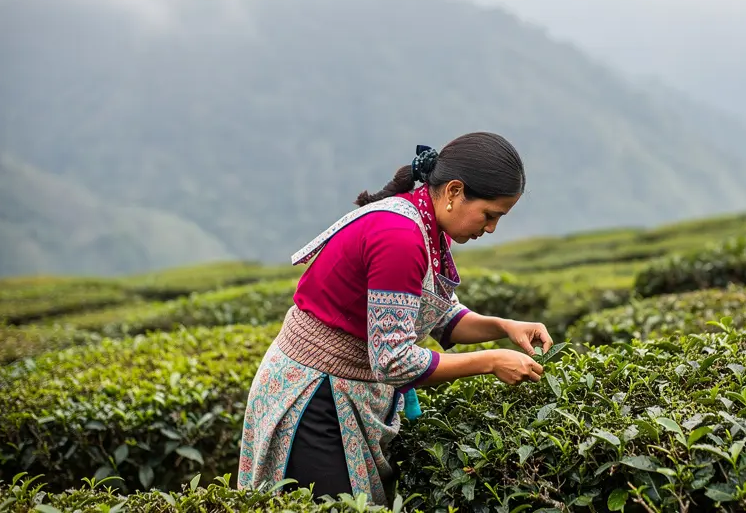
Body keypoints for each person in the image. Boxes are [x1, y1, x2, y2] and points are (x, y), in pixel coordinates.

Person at [237, 132, 554, 505]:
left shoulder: (426, 226)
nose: (490, 229)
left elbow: (441, 317)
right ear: (454, 192)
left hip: (341, 393)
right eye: (490, 215)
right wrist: (490, 361)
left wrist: (503, 327)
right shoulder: (400, 236)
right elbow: (394, 359)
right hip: (315, 398)